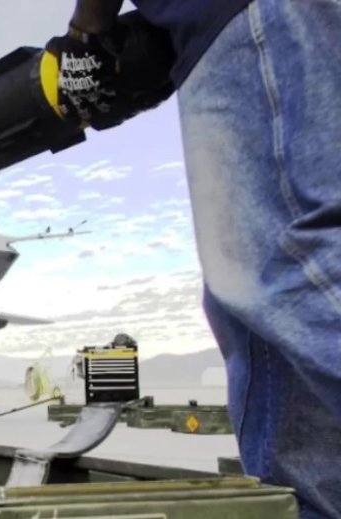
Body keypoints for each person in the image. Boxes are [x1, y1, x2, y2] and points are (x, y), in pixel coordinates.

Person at [49, 2, 341, 517]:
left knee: (295, 269)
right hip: (229, 29)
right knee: (260, 325)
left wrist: (84, 35)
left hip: (247, 17)